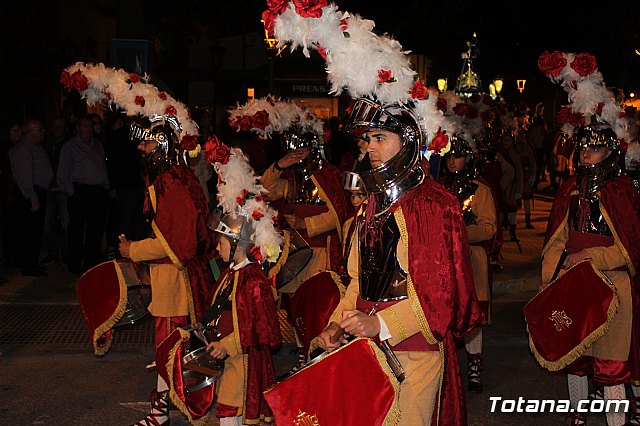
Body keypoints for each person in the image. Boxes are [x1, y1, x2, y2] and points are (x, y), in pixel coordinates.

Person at [316, 98, 481, 425]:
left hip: (415, 351)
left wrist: (380, 324)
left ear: (408, 141)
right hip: (367, 347)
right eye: (368, 139)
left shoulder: (434, 206)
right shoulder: (369, 206)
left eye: (381, 138)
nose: (370, 148)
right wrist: (337, 323)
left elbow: (440, 297)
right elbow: (357, 282)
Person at [118, 114, 216, 426]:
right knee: (173, 348)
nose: (140, 148)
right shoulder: (176, 178)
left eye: (146, 142)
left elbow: (177, 245)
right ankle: (163, 409)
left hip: (175, 283)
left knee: (169, 349)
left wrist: (131, 250)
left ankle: (161, 414)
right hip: (176, 279)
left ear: (161, 145)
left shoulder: (172, 184)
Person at [541, 120, 640, 426]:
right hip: (574, 284)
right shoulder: (570, 189)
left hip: (614, 288)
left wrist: (592, 255)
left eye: (595, 148)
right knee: (576, 359)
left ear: (610, 152)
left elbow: (632, 248)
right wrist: (550, 280)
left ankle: (617, 421)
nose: (586, 155)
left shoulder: (622, 191)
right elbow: (557, 240)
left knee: (611, 365)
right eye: (583, 148)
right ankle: (577, 414)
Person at [260, 116, 350, 372]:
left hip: (321, 254)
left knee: (319, 305)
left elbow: (338, 215)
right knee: (296, 304)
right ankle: (302, 353)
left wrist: (304, 223)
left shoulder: (330, 175)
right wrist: (279, 164)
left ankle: (320, 353)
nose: (297, 155)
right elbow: (266, 188)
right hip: (296, 253)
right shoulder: (291, 178)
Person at [205, 212, 282, 425]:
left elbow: (261, 329)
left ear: (238, 245)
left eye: (221, 243)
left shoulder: (254, 282)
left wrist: (227, 345)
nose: (217, 248)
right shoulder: (232, 273)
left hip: (243, 361)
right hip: (229, 359)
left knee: (230, 411)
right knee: (230, 411)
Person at [440, 135, 499, 393]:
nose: (453, 161)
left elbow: (489, 228)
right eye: (450, 156)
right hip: (443, 260)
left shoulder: (480, 190)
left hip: (471, 258)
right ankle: (447, 364)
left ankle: (475, 362)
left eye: (458, 156)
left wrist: (461, 232)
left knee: (473, 312)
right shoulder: (438, 188)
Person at [57, 116, 109, 274]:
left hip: (97, 191)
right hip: (80, 191)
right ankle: (74, 264)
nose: (88, 129)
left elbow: (102, 166)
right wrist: (71, 192)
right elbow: (62, 173)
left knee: (96, 229)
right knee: (77, 230)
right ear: (78, 128)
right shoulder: (70, 147)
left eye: (90, 126)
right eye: (85, 126)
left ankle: (91, 263)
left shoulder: (97, 144)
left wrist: (106, 185)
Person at [9, 118, 53, 276]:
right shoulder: (24, 149)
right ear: (30, 131)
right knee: (29, 232)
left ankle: (32, 263)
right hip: (30, 194)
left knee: (35, 231)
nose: (43, 131)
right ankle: (28, 266)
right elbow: (23, 176)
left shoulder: (36, 147)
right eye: (39, 129)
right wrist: (32, 197)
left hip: (38, 191)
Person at [41, 116, 70, 265]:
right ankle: (53, 252)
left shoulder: (68, 145)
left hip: (63, 189)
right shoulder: (45, 146)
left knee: (66, 222)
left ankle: (66, 253)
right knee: (48, 223)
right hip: (48, 189)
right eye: (55, 126)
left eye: (60, 126)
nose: (57, 130)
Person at [0, 121, 23, 268]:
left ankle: (16, 255)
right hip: (7, 193)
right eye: (13, 130)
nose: (17, 133)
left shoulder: (23, 147)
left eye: (19, 130)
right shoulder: (4, 149)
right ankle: (10, 257)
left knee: (17, 226)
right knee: (8, 226)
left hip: (19, 192)